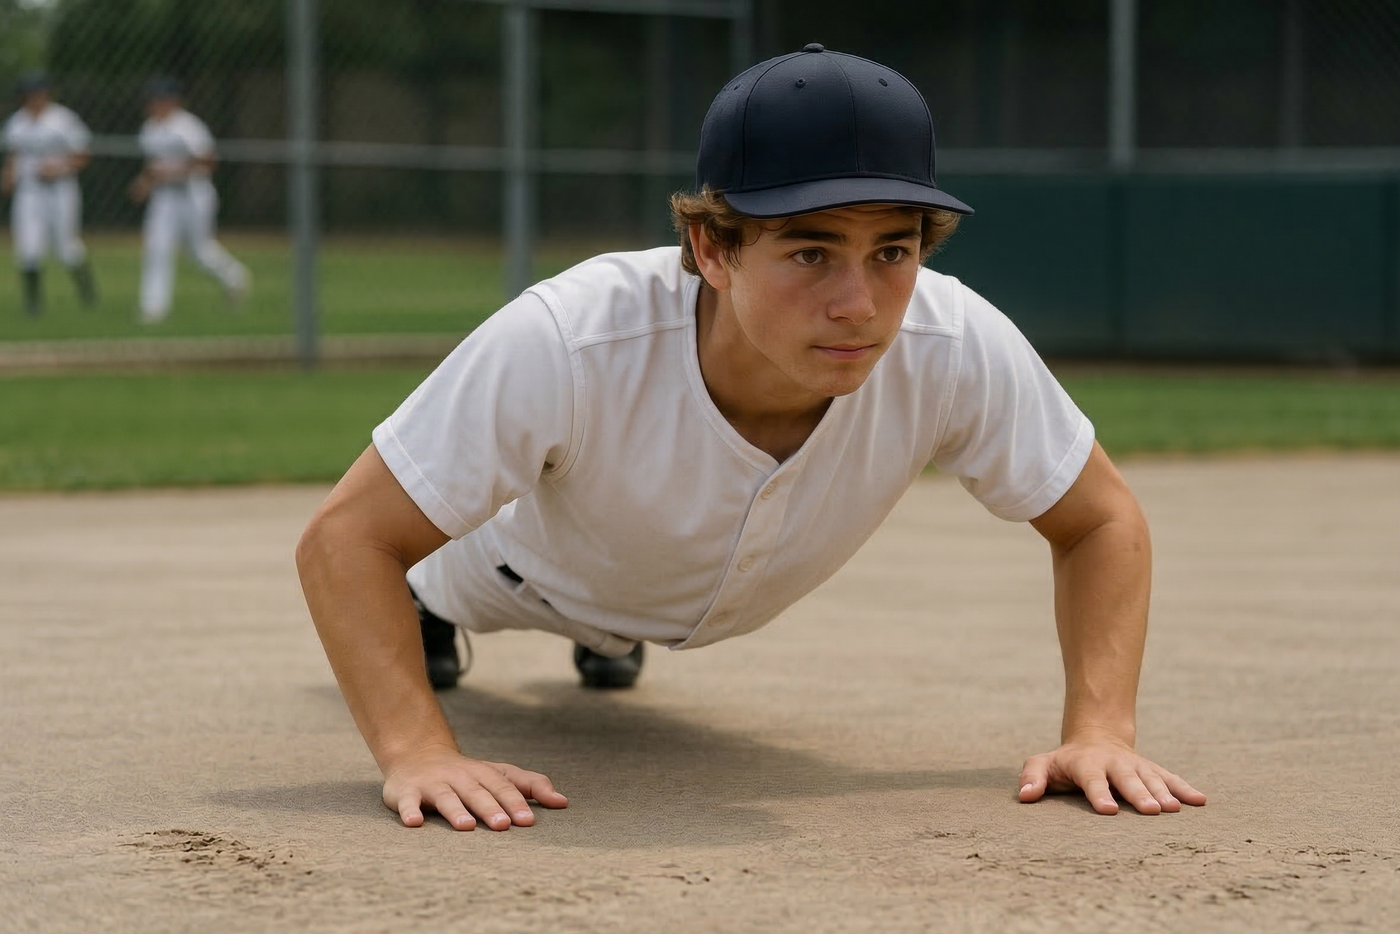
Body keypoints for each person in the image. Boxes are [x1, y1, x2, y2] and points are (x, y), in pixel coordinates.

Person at [297, 45, 1206, 833]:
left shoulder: (952, 342)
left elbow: (1101, 519)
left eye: (892, 251)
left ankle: (614, 641)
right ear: (711, 247)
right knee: (434, 584)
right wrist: (415, 750)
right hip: (519, 572)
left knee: (641, 579)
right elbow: (345, 538)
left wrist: (1100, 732)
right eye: (811, 252)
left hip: (667, 566)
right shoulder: (572, 339)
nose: (858, 302)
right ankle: (449, 619)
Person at [128, 77, 249, 324]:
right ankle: (154, 308)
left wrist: (171, 173)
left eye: (161, 99)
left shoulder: (188, 126)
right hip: (164, 197)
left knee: (200, 252)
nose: (155, 104)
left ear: (173, 101)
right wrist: (144, 181)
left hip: (194, 193)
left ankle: (235, 277)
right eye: (153, 99)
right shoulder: (149, 129)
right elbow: (153, 166)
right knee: (157, 248)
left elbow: (208, 161)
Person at [1, 73, 97, 317]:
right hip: (29, 191)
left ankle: (87, 292)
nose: (33, 98)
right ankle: (33, 304)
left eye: (38, 92)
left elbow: (83, 154)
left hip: (60, 190)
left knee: (66, 247)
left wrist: (60, 168)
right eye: (29, 93)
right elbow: (13, 154)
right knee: (28, 247)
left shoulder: (63, 119)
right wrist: (9, 175)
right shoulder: (18, 121)